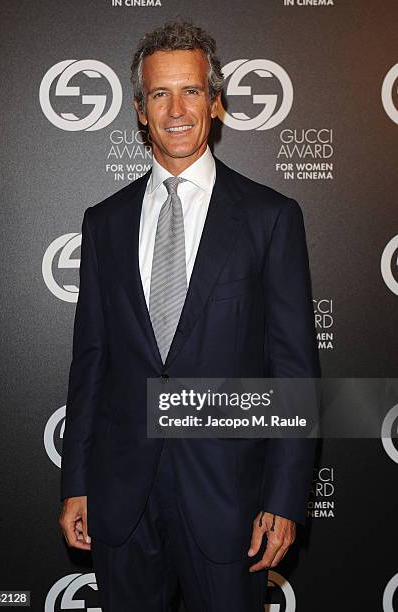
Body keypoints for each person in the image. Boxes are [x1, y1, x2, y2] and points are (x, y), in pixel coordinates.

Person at [59, 20, 320, 612]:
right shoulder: (105, 223)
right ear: (140, 110)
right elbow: (90, 365)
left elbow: (294, 370)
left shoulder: (269, 218)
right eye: (159, 94)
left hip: (229, 499)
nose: (177, 109)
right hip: (123, 499)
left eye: (192, 91)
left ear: (216, 102)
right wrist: (75, 483)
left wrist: (284, 496)